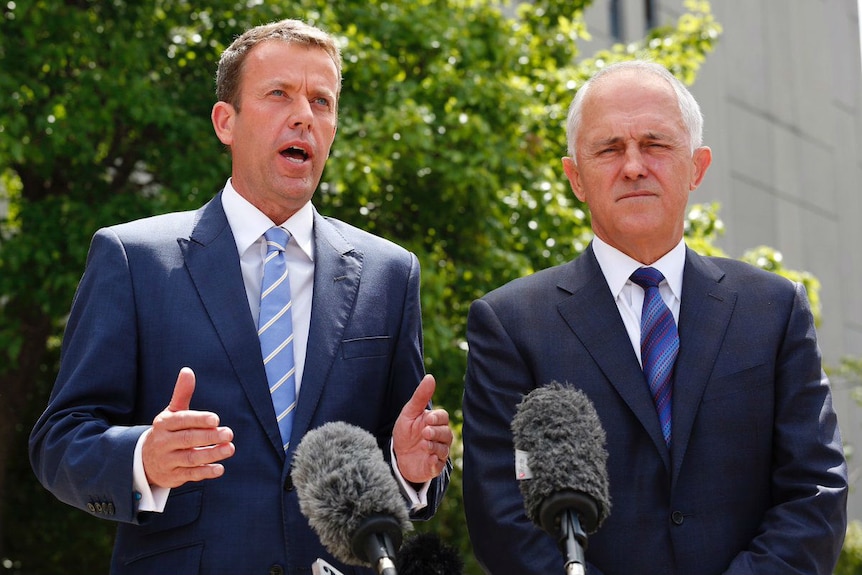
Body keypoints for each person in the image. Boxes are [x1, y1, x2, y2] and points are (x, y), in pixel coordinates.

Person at [29, 19, 453, 575]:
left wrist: (409, 467)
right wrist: (142, 459)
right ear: (225, 122)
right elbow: (59, 442)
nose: (304, 114)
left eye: (321, 101)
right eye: (279, 94)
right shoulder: (134, 258)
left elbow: (405, 451)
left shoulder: (388, 273)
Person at [461, 60, 848, 575]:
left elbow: (814, 488)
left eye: (656, 144)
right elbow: (502, 517)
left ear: (697, 166)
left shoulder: (774, 310)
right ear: (575, 176)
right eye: (609, 148)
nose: (634, 166)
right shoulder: (510, 324)